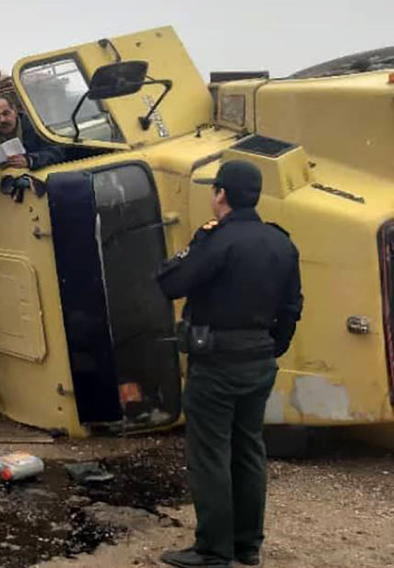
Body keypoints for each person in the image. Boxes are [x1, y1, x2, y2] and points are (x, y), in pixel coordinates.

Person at [155, 160, 303, 568]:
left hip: (217, 364)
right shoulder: (281, 243)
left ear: (220, 193)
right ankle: (247, 545)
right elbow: (293, 306)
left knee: (210, 454)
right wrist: (272, 348)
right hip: (258, 360)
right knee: (249, 450)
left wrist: (195, 245)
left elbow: (170, 283)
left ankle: (213, 550)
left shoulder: (216, 240)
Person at [0, 96, 65, 187]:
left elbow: (57, 152)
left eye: (6, 113)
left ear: (14, 110)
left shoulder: (37, 130)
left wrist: (29, 161)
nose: (2, 120)